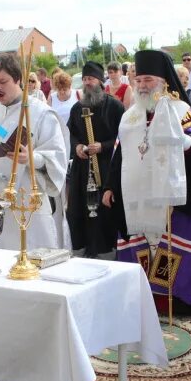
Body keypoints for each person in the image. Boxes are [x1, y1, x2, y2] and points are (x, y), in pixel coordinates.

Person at [103, 50, 191, 315]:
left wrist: (186, 142)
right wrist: (110, 186)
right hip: (138, 195)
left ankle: (181, 299)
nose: (143, 85)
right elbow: (120, 152)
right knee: (144, 245)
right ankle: (148, 297)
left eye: (149, 79)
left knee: (171, 247)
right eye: (140, 79)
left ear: (163, 81)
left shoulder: (181, 110)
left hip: (173, 196)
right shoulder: (131, 115)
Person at [0, 54, 69, 250]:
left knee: (33, 260)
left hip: (27, 201)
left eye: (3, 82)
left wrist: (31, 158)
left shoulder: (42, 113)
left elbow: (57, 155)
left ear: (17, 79)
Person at [66, 61, 124, 258]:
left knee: (104, 213)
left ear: (100, 80)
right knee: (79, 210)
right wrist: (78, 147)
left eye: (90, 78)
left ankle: (107, 251)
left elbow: (122, 137)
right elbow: (72, 134)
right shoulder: (76, 109)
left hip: (106, 168)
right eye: (84, 79)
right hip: (82, 170)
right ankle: (84, 251)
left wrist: (103, 146)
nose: (87, 83)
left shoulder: (114, 106)